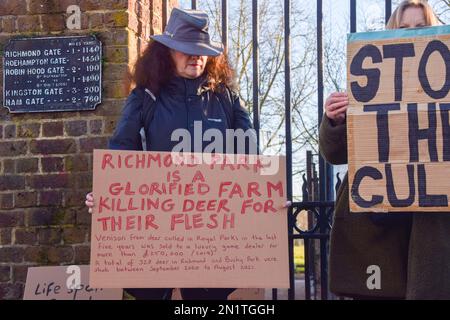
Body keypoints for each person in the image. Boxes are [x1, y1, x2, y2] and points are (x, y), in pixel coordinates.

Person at [85, 8, 289, 300]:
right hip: (155, 241)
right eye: (185, 50)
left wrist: (269, 197)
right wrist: (105, 196)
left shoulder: (226, 99)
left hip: (213, 240)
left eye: (201, 50)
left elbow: (250, 160)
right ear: (167, 52)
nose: (195, 56)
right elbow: (121, 155)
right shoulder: (144, 97)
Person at [320, 0, 448, 300]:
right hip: (378, 229)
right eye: (404, 28)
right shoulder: (368, 84)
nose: (412, 34)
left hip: (430, 233)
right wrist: (334, 120)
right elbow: (334, 154)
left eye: (422, 27)